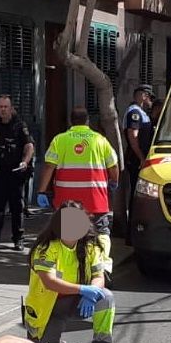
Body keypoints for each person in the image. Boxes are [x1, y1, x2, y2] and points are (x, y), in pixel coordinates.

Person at [23, 201, 116, 343]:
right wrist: (83, 290)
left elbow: (99, 276)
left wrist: (92, 292)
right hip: (48, 309)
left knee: (106, 297)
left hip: (77, 302)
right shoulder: (46, 248)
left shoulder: (91, 246)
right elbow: (49, 282)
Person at [36, 106, 119, 284]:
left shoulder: (60, 140)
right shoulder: (100, 140)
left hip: (67, 203)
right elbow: (113, 166)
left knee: (66, 238)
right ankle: (101, 266)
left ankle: (67, 273)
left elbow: (49, 166)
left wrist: (41, 191)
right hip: (95, 201)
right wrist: (113, 182)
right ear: (87, 121)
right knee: (101, 234)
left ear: (71, 121)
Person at [0, 95, 34, 252]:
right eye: (0, 107)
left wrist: (25, 161)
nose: (3, 110)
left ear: (11, 109)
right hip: (0, 173)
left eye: (5, 107)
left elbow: (29, 146)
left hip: (16, 173)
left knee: (17, 207)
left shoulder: (19, 126)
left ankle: (18, 239)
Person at [124, 84, 155, 206]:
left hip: (140, 158)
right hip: (136, 159)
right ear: (143, 96)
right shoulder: (134, 113)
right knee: (137, 192)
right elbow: (133, 136)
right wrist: (141, 158)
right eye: (150, 98)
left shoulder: (141, 112)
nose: (151, 101)